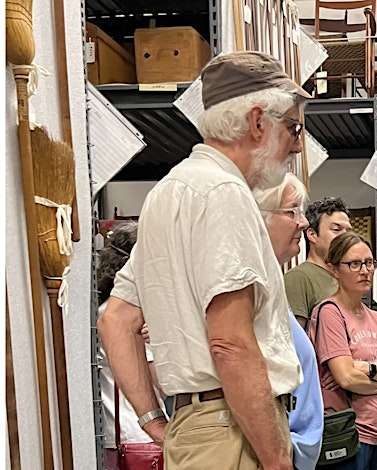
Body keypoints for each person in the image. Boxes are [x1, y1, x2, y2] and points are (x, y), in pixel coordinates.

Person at [97, 51, 311, 470]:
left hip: (201, 429)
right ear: (256, 122)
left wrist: (154, 420)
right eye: (293, 127)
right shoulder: (223, 194)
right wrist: (275, 459)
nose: (298, 143)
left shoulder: (168, 192)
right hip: (234, 430)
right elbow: (230, 342)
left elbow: (116, 319)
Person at [308, 232, 377, 470]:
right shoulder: (330, 312)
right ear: (334, 269)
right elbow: (346, 377)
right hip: (345, 433)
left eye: (369, 262)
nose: (365, 270)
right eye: (354, 264)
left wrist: (367, 368)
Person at [253, 173, 324, 470]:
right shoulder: (250, 287)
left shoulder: (272, 285)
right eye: (292, 210)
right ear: (260, 217)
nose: (304, 222)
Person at [96, 222, 166, 470]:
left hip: (112, 433)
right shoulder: (134, 319)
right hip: (143, 434)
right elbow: (161, 380)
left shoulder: (103, 313)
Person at [285, 197, 352, 328]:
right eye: (336, 230)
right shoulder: (298, 278)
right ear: (312, 234)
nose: (345, 237)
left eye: (348, 231)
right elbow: (294, 340)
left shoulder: (344, 277)